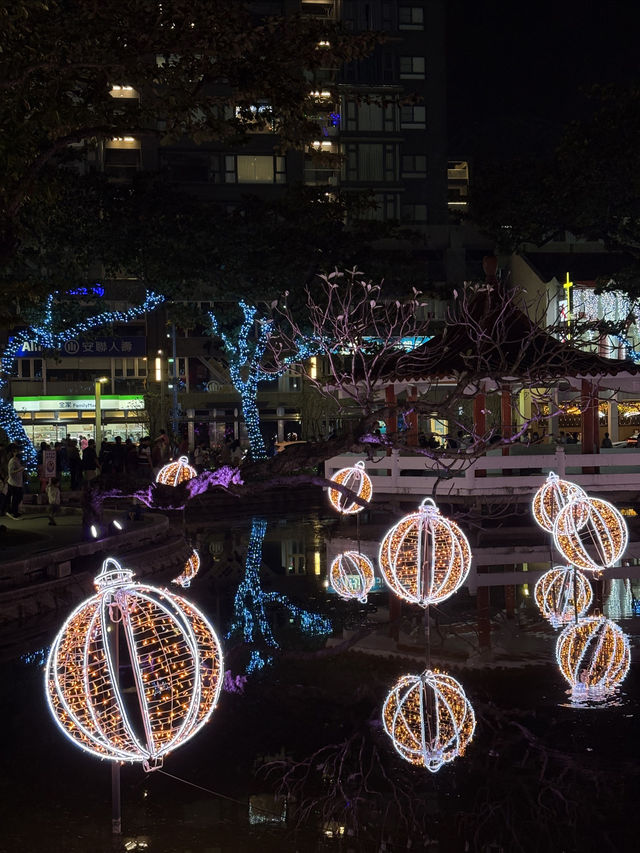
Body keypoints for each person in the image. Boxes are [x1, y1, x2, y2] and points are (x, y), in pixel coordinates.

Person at [7, 447, 25, 518]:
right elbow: (11, 472)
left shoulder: (18, 460)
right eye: (17, 452)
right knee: (16, 498)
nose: (19, 453)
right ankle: (14, 512)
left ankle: (13, 510)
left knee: (19, 497)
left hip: (18, 482)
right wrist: (20, 469)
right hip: (13, 483)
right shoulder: (12, 461)